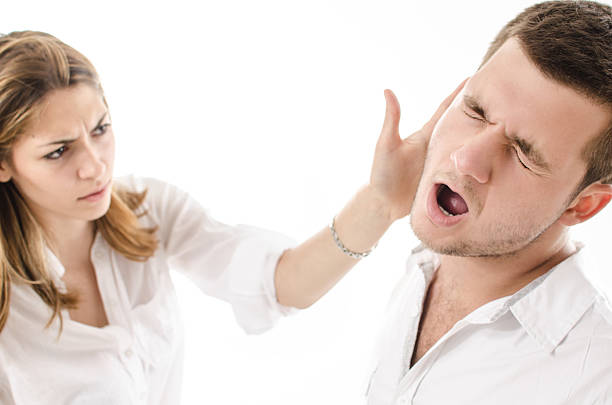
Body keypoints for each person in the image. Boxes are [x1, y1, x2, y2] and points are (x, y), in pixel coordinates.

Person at [0, 30, 463, 404]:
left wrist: (380, 204)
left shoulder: (147, 209)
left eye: (100, 129)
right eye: (59, 151)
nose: (95, 165)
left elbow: (284, 282)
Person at [365, 1, 612, 404]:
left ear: (582, 205)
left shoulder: (596, 379)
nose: (467, 158)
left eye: (524, 153)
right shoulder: (422, 268)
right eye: (476, 110)